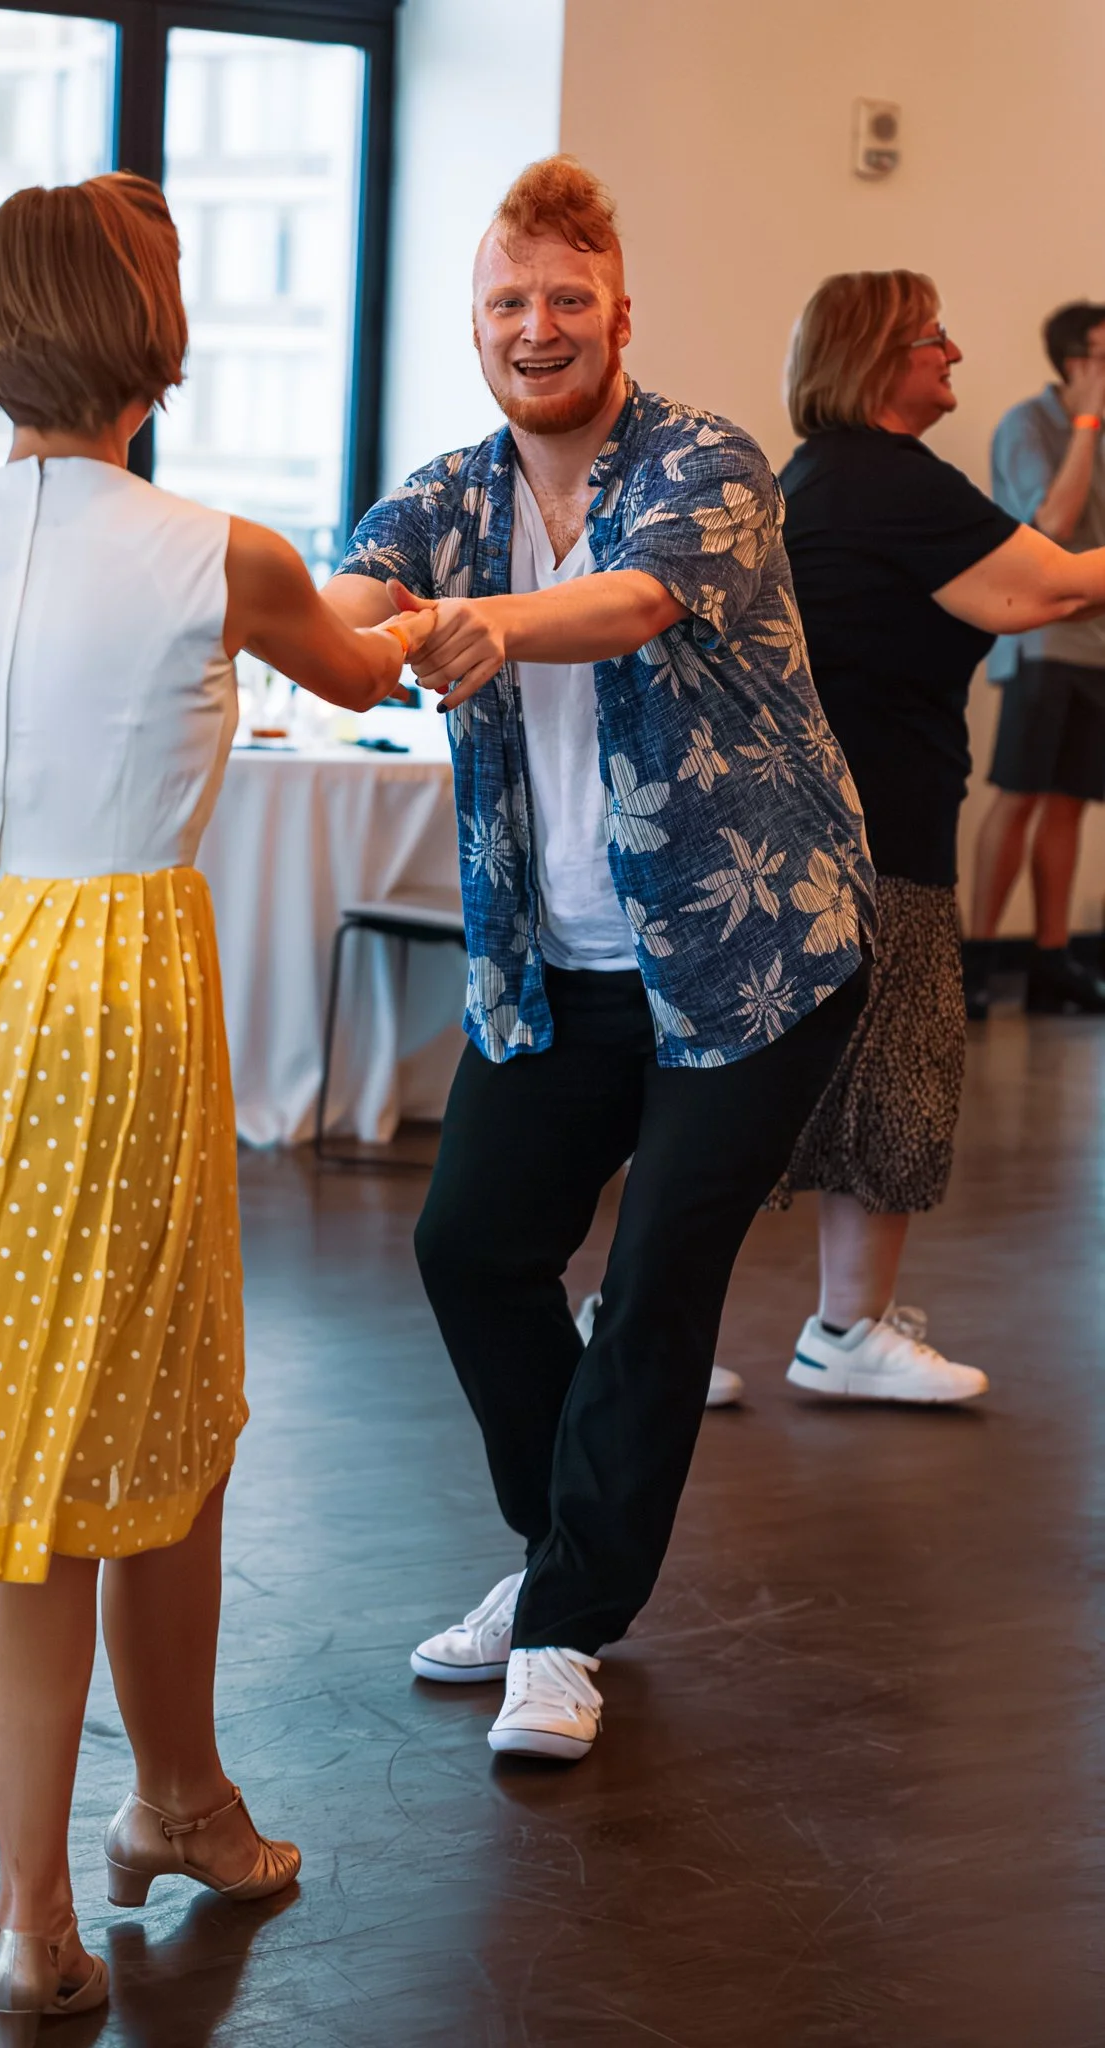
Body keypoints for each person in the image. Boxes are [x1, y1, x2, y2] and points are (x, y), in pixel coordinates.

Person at [0, 174, 430, 2039]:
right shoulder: (222, 553)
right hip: (102, 988)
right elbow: (356, 664)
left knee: (97, 1421)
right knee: (110, 1424)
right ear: (144, 335)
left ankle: (149, 1817)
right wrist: (413, 612)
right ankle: (50, 1897)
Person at [324, 157, 876, 1765]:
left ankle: (561, 1628)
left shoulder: (705, 460)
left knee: (649, 1286)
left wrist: (486, 624)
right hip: (555, 959)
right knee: (470, 1249)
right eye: (507, 301)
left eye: (567, 298)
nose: (536, 326)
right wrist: (331, 625)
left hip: (750, 955)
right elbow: (357, 596)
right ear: (474, 327)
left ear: (618, 317)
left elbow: (636, 601)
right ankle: (557, 1556)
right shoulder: (449, 494)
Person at [772, 270, 1105, 1406]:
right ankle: (823, 1328)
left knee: (858, 1085)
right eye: (933, 337)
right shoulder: (882, 478)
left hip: (851, 821)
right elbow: (1046, 590)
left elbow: (1025, 590)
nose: (953, 352)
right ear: (876, 357)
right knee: (892, 1078)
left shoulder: (838, 475)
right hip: (867, 833)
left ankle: (830, 1324)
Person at [966, 301, 1105, 1017]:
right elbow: (1051, 525)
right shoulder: (1028, 425)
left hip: (1095, 646)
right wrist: (1085, 423)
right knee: (1018, 794)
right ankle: (978, 961)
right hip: (1041, 644)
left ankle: (1051, 961)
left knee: (1070, 802)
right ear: (1075, 362)